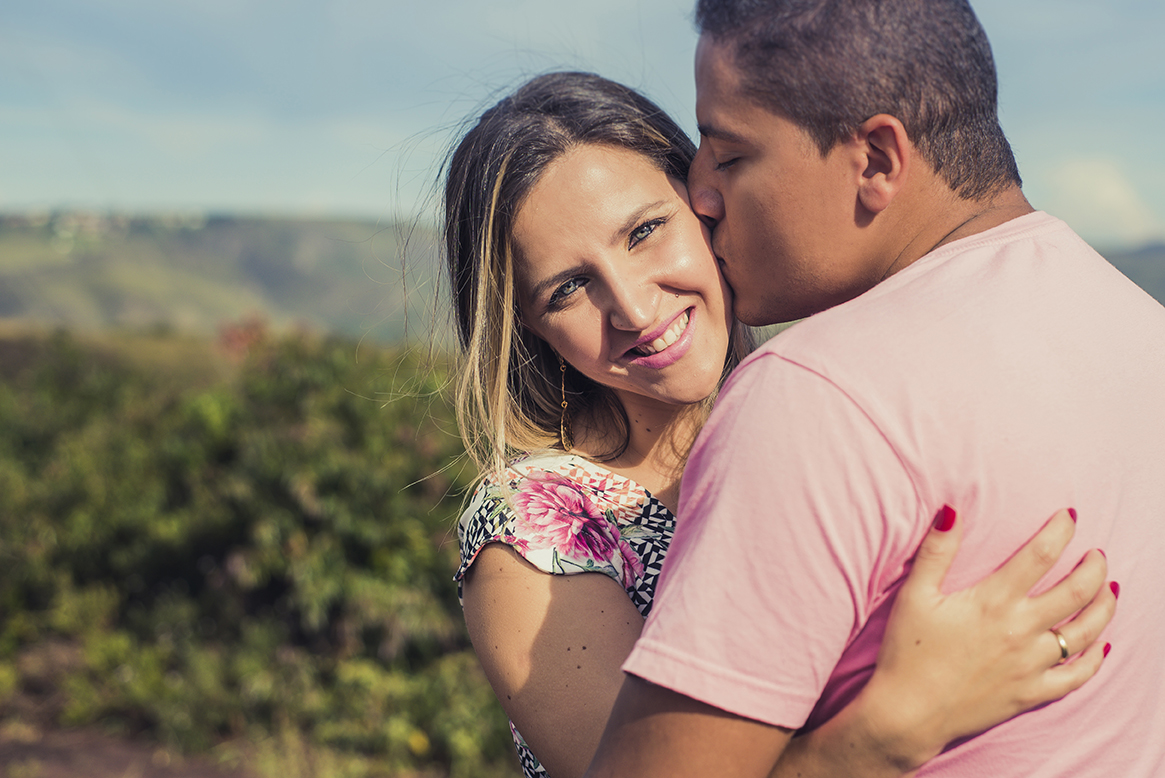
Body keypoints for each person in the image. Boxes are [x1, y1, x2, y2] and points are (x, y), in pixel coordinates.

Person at [443, 72, 1116, 778]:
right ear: (528, 327)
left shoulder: (821, 421)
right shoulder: (530, 530)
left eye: (644, 232)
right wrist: (896, 726)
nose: (634, 310)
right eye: (569, 288)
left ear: (704, 203)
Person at [584, 1, 1165, 777]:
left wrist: (868, 744)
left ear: (877, 160)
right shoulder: (1141, 329)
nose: (702, 197)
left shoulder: (815, 397)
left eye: (729, 157)